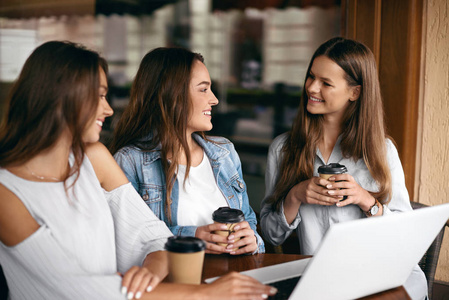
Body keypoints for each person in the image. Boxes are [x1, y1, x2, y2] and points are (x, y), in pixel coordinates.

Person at [0, 41, 276, 300]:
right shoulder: (5, 192)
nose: (108, 110)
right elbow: (78, 288)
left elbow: (154, 237)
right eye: (99, 96)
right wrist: (202, 295)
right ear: (61, 99)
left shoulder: (94, 158)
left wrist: (148, 272)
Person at [259, 37, 427, 299]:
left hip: (386, 282)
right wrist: (295, 195)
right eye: (311, 77)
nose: (312, 88)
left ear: (355, 92)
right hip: (324, 285)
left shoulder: (381, 151)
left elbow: (404, 239)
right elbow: (272, 235)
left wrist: (366, 201)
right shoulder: (283, 149)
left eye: (326, 83)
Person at [110, 47, 264, 255]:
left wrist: (252, 240)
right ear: (172, 95)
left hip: (233, 280)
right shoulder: (130, 161)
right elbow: (127, 242)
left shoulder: (224, 152)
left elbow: (249, 222)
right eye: (203, 89)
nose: (214, 100)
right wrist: (191, 237)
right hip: (177, 284)